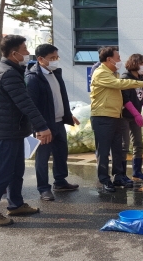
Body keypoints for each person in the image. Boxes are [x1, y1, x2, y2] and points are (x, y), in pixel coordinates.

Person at [0, 35, 52, 226]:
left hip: (15, 130)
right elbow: (25, 103)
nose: (28, 52)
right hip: (4, 132)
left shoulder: (12, 69)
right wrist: (42, 127)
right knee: (2, 173)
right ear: (14, 53)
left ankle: (16, 205)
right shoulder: (8, 73)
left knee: (16, 171)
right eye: (24, 49)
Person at [91, 47, 143, 192]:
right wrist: (142, 83)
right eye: (117, 58)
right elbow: (120, 85)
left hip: (116, 116)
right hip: (102, 116)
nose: (120, 60)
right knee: (104, 150)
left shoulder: (114, 73)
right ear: (109, 59)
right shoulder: (100, 73)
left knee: (118, 149)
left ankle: (119, 176)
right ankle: (104, 179)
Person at [25, 44, 80, 202]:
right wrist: (39, 128)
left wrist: (68, 115)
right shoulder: (33, 78)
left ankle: (60, 182)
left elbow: (61, 97)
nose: (56, 61)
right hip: (44, 126)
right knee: (42, 158)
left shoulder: (55, 73)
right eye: (52, 58)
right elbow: (32, 106)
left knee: (61, 153)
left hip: (58, 123)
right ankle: (43, 189)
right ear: (41, 59)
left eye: (57, 57)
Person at [121, 54, 143, 181]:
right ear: (135, 63)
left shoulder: (142, 79)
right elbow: (125, 99)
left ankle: (137, 171)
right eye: (142, 64)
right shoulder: (125, 78)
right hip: (125, 116)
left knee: (138, 144)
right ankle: (122, 174)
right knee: (124, 146)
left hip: (136, 117)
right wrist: (136, 113)